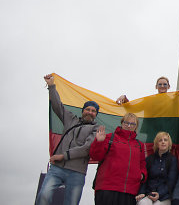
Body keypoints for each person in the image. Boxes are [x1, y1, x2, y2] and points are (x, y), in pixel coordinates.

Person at [36, 74, 100, 205]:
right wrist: (51, 86)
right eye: (87, 109)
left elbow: (87, 148)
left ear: (96, 114)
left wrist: (63, 156)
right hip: (57, 169)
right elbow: (57, 105)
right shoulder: (70, 119)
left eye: (93, 111)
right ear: (83, 111)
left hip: (77, 172)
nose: (90, 112)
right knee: (43, 196)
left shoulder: (97, 129)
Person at [89, 113, 147, 205]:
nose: (129, 126)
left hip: (129, 191)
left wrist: (142, 175)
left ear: (136, 127)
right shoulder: (109, 137)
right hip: (107, 188)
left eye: (132, 124)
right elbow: (96, 156)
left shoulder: (139, 144)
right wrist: (98, 142)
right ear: (121, 123)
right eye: (126, 123)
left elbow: (142, 164)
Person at [137, 132, 179, 205]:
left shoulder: (172, 160)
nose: (163, 142)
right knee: (142, 203)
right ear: (157, 144)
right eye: (160, 140)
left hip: (164, 196)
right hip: (148, 194)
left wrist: (159, 194)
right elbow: (144, 179)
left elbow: (171, 182)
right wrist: (141, 193)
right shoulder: (149, 159)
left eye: (165, 140)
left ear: (169, 143)